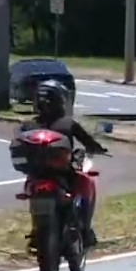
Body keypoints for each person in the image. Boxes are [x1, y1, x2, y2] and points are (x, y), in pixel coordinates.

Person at [21, 79, 108, 248]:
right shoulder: (67, 123)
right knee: (85, 182)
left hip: (37, 173)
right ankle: (84, 228)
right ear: (60, 100)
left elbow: (18, 141)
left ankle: (37, 229)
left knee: (33, 191)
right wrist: (98, 148)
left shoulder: (29, 125)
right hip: (62, 172)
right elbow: (88, 141)